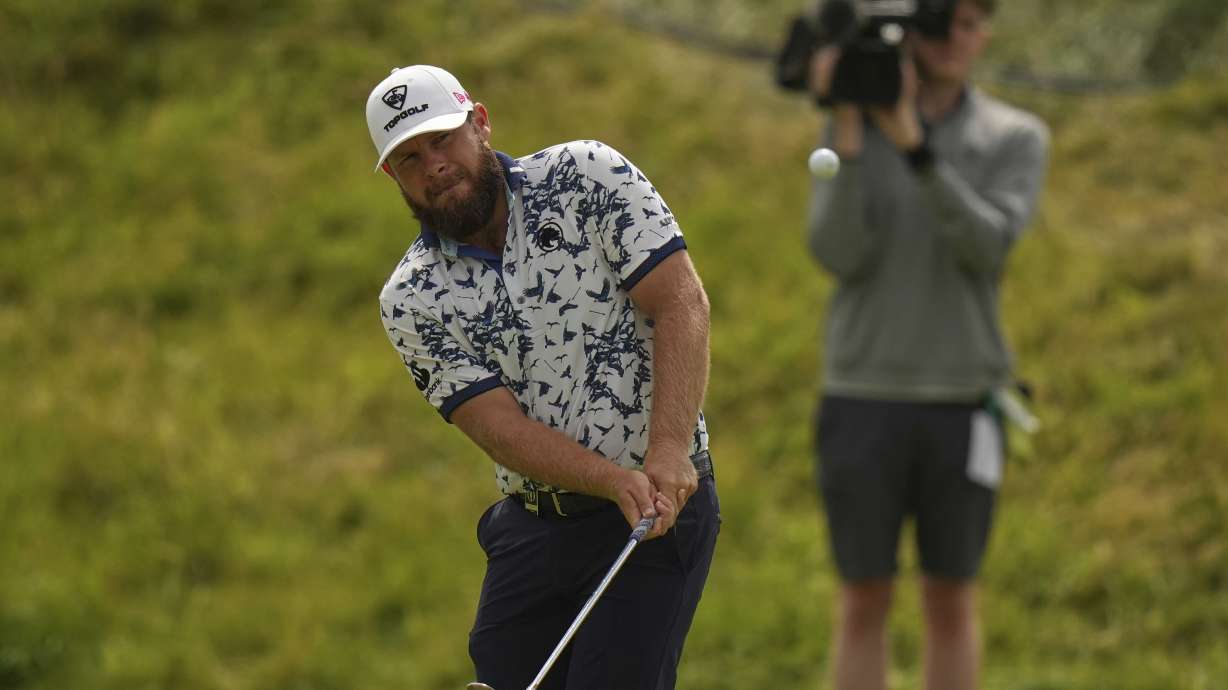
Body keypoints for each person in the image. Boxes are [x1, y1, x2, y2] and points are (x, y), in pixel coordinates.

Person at [365, 64, 719, 690]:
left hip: (654, 516)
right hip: (536, 524)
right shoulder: (412, 297)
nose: (434, 165)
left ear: (480, 122)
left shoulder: (587, 175)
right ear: (395, 176)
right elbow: (496, 426)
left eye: (443, 139)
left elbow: (679, 301)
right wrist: (609, 479)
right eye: (410, 158)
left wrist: (666, 450)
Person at [805, 2, 1049, 689]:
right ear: (906, 33)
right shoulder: (854, 126)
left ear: (984, 33)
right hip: (862, 395)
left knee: (950, 599)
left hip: (964, 398)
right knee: (862, 600)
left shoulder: (1015, 136)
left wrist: (914, 144)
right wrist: (852, 128)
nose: (950, 39)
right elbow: (836, 252)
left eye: (966, 22)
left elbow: (988, 246)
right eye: (936, 21)